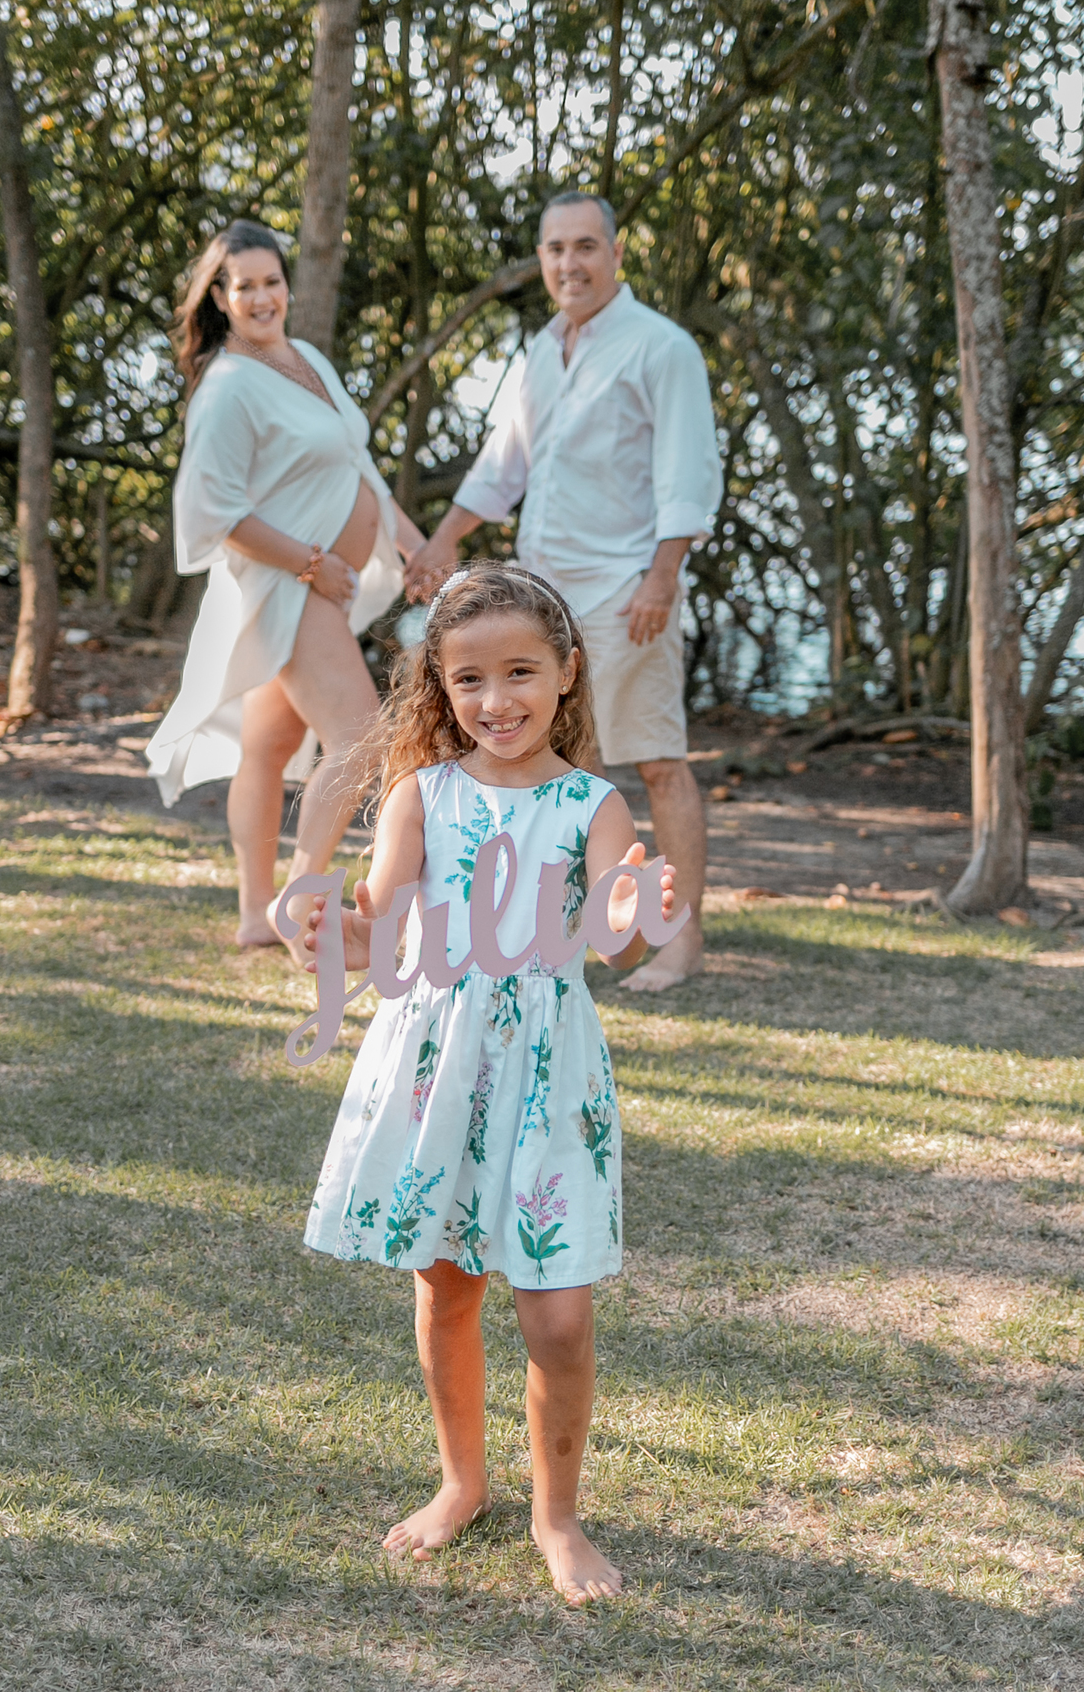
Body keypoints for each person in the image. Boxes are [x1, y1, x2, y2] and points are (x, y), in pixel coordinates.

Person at [297, 562, 677, 1605]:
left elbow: (612, 941)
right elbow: (381, 927)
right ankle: (461, 1482)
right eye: (469, 679)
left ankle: (557, 1515)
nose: (496, 700)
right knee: (447, 1283)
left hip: (548, 1073)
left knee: (555, 1317)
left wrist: (639, 905)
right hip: (439, 1068)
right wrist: (332, 931)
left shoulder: (592, 804)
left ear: (567, 672)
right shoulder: (422, 793)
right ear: (440, 687)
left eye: (520, 672)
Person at [404, 191, 722, 988]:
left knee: (655, 758)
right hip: (541, 598)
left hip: (626, 588)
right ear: (541, 261)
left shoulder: (662, 347)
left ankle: (679, 940)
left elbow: (687, 473)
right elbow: (504, 465)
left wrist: (661, 576)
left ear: (616, 254)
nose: (569, 264)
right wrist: (444, 542)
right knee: (558, 760)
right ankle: (552, 928)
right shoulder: (545, 349)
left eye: (585, 247)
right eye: (554, 250)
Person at [146, 219, 425, 952]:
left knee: (268, 748)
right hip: (286, 587)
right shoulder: (227, 388)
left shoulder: (303, 358)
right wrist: (310, 562)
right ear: (221, 296)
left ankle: (252, 913)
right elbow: (213, 513)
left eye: (273, 282)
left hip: (321, 586)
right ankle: (299, 904)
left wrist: (411, 542)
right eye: (246, 287)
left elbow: (356, 465)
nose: (263, 297)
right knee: (361, 738)